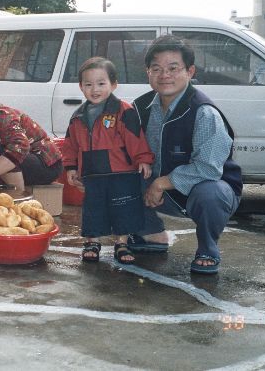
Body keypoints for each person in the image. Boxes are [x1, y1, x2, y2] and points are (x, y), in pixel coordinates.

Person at [130, 35, 243, 275]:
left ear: (190, 71)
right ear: (148, 72)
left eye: (173, 68)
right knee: (116, 176)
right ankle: (152, 234)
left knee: (211, 192)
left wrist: (160, 183)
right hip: (161, 193)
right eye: (156, 69)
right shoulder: (139, 108)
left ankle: (208, 249)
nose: (164, 75)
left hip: (204, 192)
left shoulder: (204, 112)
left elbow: (209, 168)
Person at [61, 57, 153, 265]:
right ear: (81, 87)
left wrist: (143, 159)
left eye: (101, 83)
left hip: (122, 173)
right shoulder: (77, 116)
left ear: (114, 84)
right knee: (93, 209)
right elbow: (70, 144)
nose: (95, 89)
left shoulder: (124, 111)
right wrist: (71, 167)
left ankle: (122, 243)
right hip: (92, 172)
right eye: (88, 84)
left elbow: (135, 138)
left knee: (124, 208)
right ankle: (92, 242)